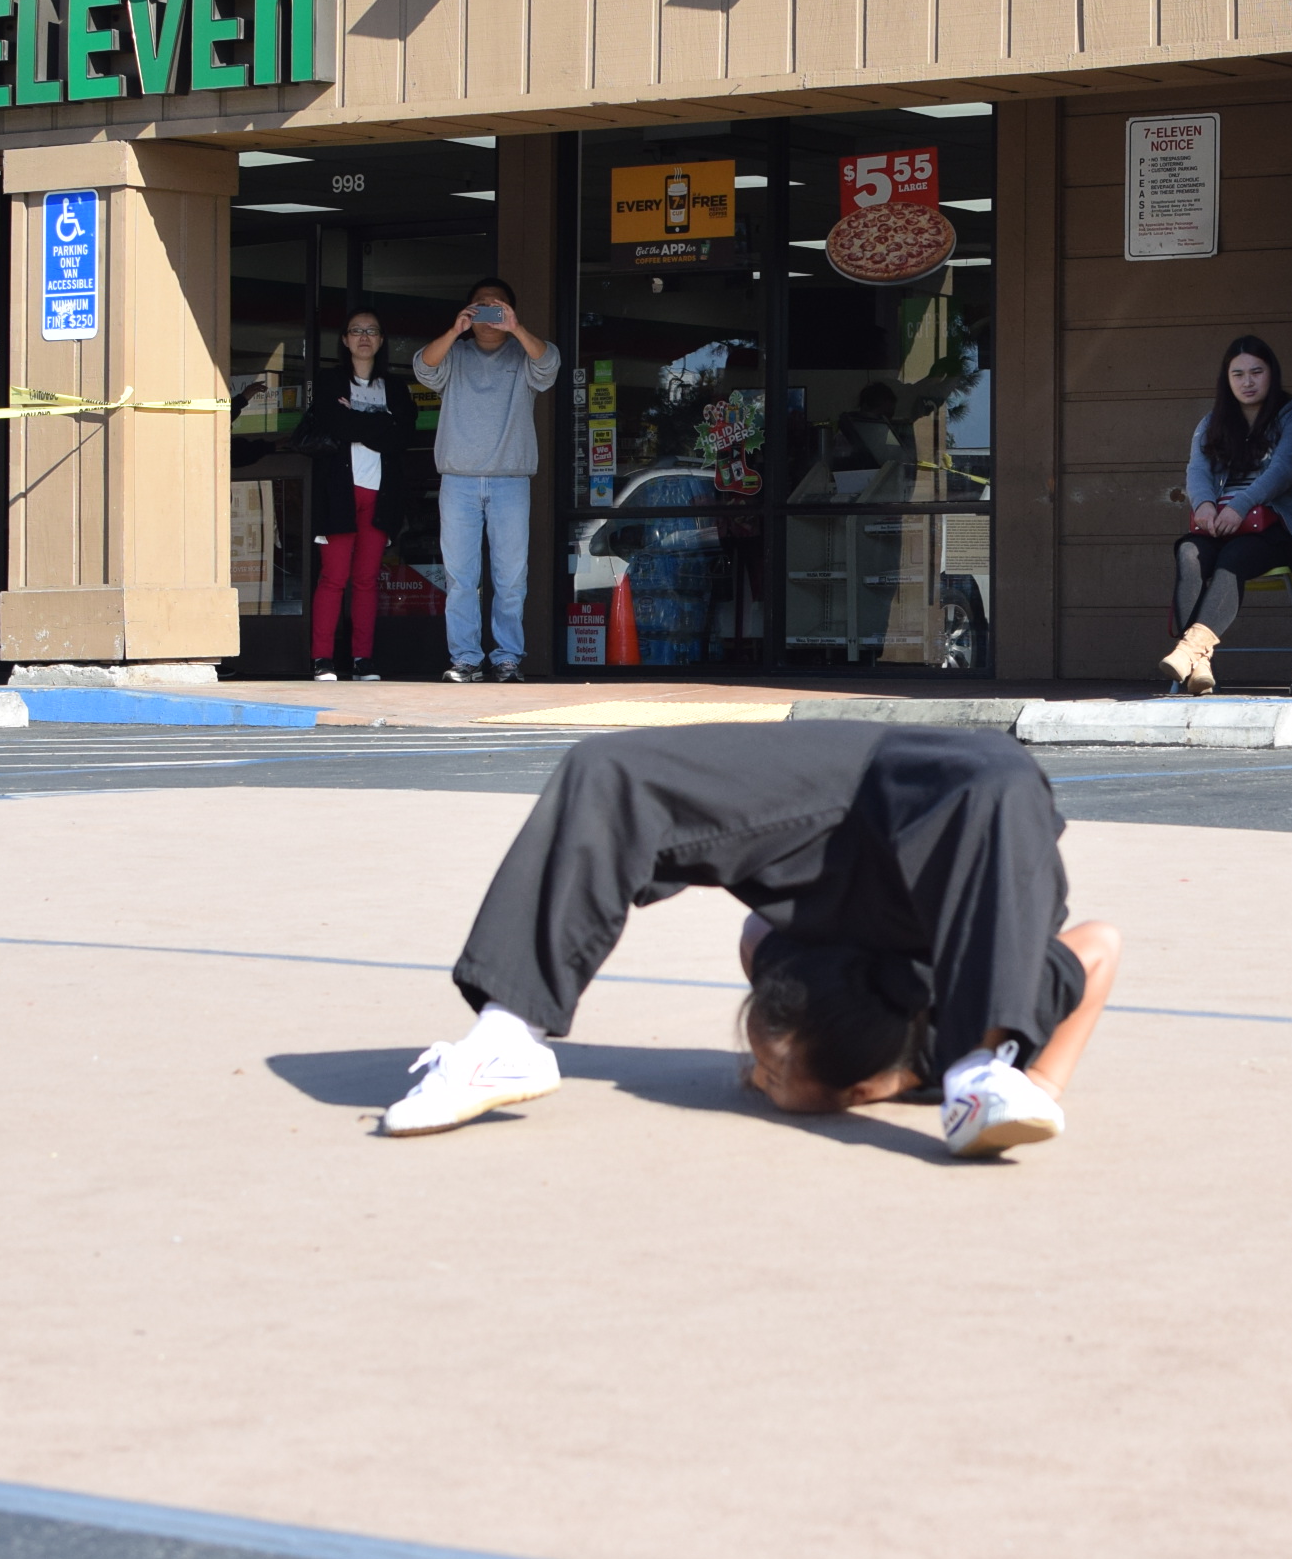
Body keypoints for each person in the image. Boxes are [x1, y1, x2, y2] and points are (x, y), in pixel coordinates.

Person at [380, 721, 1122, 1159]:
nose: (754, 1077)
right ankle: (507, 1033)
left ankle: (984, 1076)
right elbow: (1100, 944)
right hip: (923, 822)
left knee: (992, 783)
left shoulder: (799, 978)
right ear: (858, 1092)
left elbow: (754, 934)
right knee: (609, 769)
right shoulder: (980, 1003)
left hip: (882, 869)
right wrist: (1042, 1083)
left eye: (763, 1070)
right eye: (770, 1070)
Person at [413, 277, 560, 682]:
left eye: (498, 306)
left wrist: (516, 328)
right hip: (458, 480)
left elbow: (549, 365)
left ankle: (507, 658)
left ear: (511, 311)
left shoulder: (524, 353)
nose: (489, 314)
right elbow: (424, 367)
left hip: (510, 480)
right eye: (480, 306)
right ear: (468, 311)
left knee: (511, 578)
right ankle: (465, 659)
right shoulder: (455, 354)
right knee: (460, 578)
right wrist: (454, 330)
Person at [1162, 335, 1292, 696]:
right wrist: (1204, 504)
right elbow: (1197, 470)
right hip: (1219, 526)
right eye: (1238, 374)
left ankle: (1187, 652)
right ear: (1226, 379)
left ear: (1271, 374)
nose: (1248, 382)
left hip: (1274, 530)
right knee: (1189, 553)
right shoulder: (1212, 422)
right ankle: (1199, 664)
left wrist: (1239, 506)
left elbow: (1282, 472)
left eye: (1256, 372)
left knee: (1233, 559)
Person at [290, 307, 419, 682]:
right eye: (356, 330)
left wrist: (359, 422)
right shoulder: (331, 381)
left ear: (381, 341)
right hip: (339, 496)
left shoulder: (395, 387)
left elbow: (402, 437)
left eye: (372, 331)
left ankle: (363, 659)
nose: (364, 337)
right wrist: (381, 422)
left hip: (381, 495)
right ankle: (322, 659)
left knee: (366, 580)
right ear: (345, 340)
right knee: (333, 577)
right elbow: (336, 425)